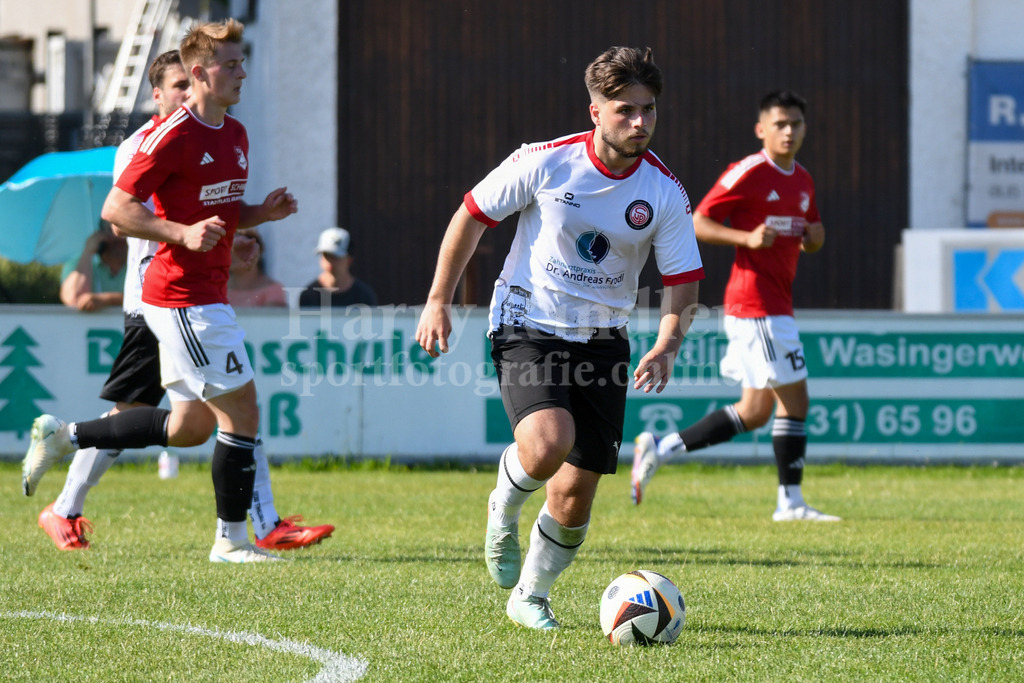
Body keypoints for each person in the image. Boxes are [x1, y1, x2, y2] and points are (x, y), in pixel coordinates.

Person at [416, 46, 704, 630]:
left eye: (649, 109)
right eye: (626, 110)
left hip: (605, 339)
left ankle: (530, 596)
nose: (640, 122)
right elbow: (471, 214)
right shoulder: (545, 161)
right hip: (528, 322)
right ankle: (504, 503)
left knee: (574, 497)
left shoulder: (665, 192)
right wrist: (438, 299)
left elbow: (683, 281)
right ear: (595, 112)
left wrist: (667, 344)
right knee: (548, 445)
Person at [22, 20, 320, 563]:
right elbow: (117, 210)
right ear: (202, 73)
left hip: (208, 294)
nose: (242, 72)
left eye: (242, 61)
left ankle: (66, 437)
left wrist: (260, 215)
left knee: (190, 427)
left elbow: (218, 209)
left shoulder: (235, 133)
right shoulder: (166, 136)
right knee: (243, 410)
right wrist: (181, 234)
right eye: (231, 64)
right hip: (180, 297)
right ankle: (235, 539)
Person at [630, 90, 840, 523]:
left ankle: (660, 449)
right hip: (757, 305)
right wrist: (746, 238)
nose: (788, 131)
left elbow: (810, 236)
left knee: (755, 411)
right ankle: (790, 503)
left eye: (796, 124)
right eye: (780, 124)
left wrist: (815, 239)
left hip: (777, 304)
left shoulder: (803, 179)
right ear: (761, 129)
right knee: (796, 400)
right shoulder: (748, 172)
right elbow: (699, 221)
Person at [297, 227, 378, 307]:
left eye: (336, 256)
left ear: (349, 259)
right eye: (326, 255)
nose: (330, 261)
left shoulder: (364, 296)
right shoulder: (308, 296)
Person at [60, 221, 128, 312]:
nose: (118, 237)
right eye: (112, 231)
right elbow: (72, 299)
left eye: (124, 231)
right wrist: (88, 252)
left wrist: (108, 300)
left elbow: (144, 300)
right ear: (100, 235)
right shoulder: (77, 263)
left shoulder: (142, 262)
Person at [227, 230, 287, 307]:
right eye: (227, 248)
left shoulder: (272, 290)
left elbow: (272, 315)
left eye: (241, 249)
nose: (232, 254)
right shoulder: (217, 289)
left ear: (256, 252)